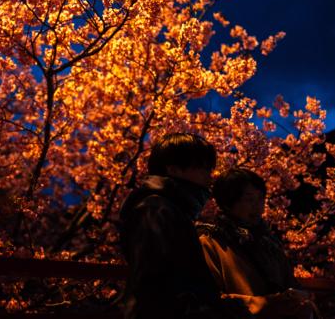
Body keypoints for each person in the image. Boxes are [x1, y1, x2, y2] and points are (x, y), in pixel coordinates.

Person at [118, 133, 250, 319]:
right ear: (173, 169)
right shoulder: (155, 210)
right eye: (202, 167)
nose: (209, 175)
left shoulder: (171, 209)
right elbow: (155, 282)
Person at [197, 168, 318, 318]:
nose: (258, 206)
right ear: (227, 204)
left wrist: (298, 297)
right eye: (249, 199)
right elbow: (211, 300)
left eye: (261, 198)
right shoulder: (211, 244)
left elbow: (291, 284)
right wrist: (266, 304)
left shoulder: (268, 242)